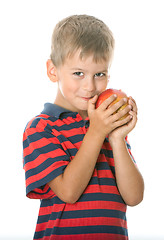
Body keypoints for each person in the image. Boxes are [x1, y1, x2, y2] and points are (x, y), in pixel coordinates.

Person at [23, 14, 144, 240]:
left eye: (99, 74)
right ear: (53, 71)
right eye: (78, 73)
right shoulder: (41, 128)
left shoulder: (106, 124)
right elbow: (68, 192)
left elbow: (134, 197)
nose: (89, 86)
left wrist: (117, 138)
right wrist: (97, 132)